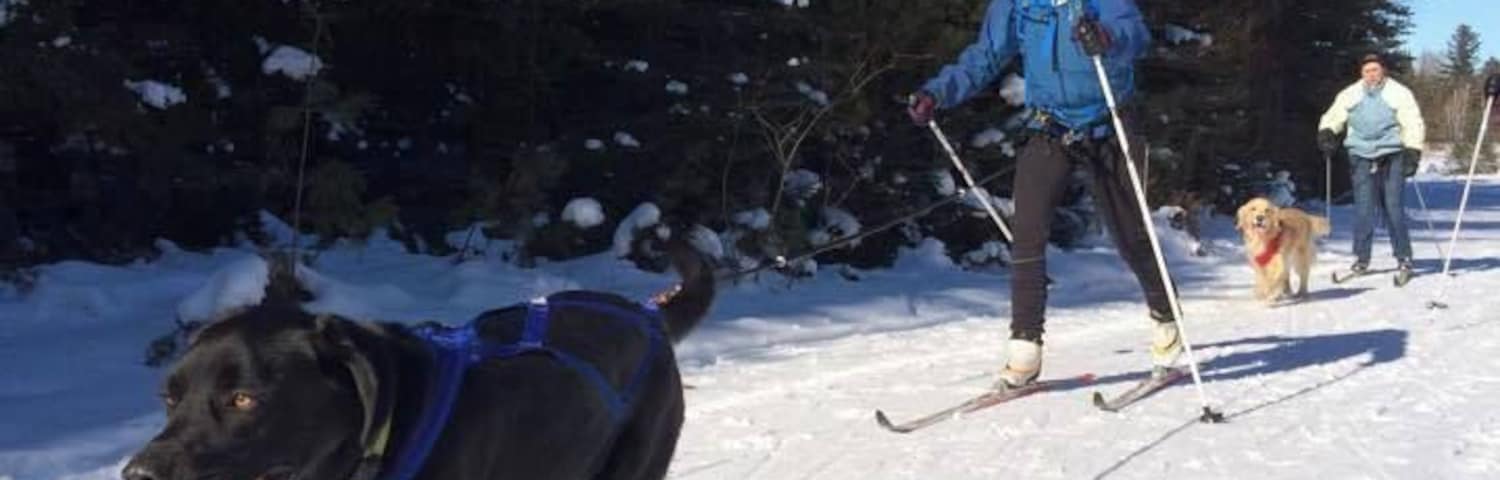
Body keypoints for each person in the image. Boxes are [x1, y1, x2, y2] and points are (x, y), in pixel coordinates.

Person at [906, 0, 1177, 389]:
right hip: (1051, 126)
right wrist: (938, 93)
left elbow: (1135, 34)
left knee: (1131, 235)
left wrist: (1106, 37)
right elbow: (985, 54)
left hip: (1108, 125)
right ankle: (1025, 349)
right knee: (1028, 232)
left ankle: (1166, 320)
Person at [1317, 53, 1426, 279]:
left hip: (1391, 153)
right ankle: (1362, 258)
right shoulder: (1350, 94)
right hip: (1360, 154)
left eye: (1375, 70)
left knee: (1393, 207)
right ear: (1361, 73)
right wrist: (1327, 133)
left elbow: (1412, 122)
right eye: (1367, 71)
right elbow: (1333, 116)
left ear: (1383, 71)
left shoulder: (1399, 93)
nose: (1371, 75)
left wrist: (1412, 151)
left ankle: (1404, 257)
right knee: (1363, 209)